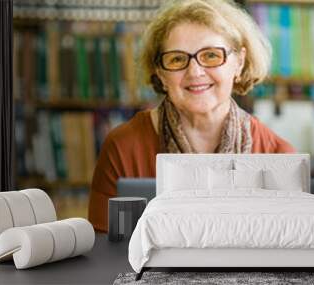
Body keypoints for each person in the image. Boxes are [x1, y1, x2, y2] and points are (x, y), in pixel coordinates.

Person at [88, 0, 295, 232]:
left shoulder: (279, 155)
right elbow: (105, 253)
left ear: (239, 63)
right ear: (161, 74)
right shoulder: (123, 148)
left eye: (211, 56)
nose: (195, 72)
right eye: (177, 59)